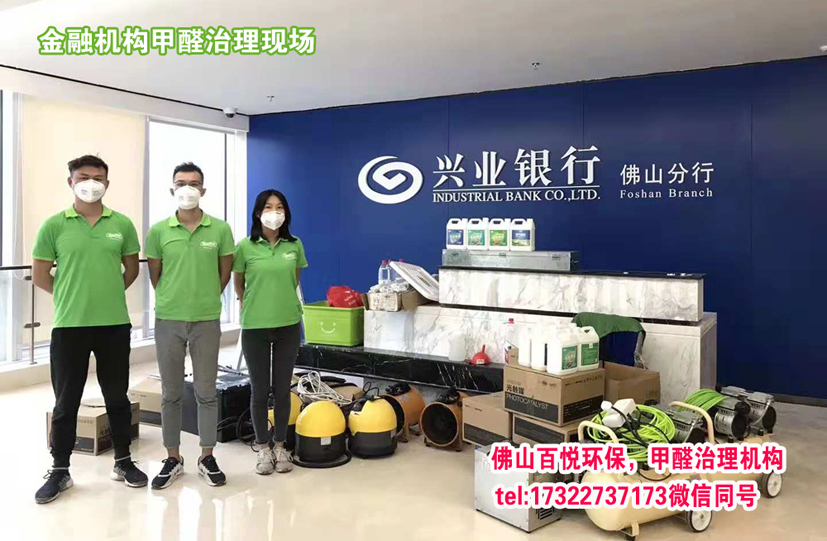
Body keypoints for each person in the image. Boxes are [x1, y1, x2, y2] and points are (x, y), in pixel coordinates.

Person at [32, 155, 147, 504]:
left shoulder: (122, 224)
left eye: (98, 177)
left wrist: (105, 294)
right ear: (71, 182)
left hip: (114, 325)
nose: (91, 183)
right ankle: (60, 470)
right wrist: (71, 294)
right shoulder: (54, 225)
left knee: (117, 397)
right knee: (66, 402)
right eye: (83, 177)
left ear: (107, 183)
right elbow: (40, 275)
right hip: (70, 326)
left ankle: (123, 461)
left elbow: (131, 270)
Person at [145, 162, 234, 489]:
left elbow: (224, 274)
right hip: (169, 319)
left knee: (206, 392)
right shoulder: (159, 231)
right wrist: (175, 299)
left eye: (194, 183)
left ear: (203, 190)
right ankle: (173, 457)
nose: (187, 188)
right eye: (181, 183)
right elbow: (156, 276)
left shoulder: (220, 230)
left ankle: (206, 456)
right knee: (170, 393)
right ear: (172, 189)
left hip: (206, 320)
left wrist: (204, 297)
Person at [233, 189, 307, 475]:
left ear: (286, 213)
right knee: (260, 389)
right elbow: (239, 284)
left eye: (279, 207)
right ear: (257, 213)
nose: (274, 212)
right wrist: (253, 304)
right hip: (255, 326)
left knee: (282, 388)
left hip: (288, 324)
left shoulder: (294, 244)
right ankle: (263, 447)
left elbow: (294, 280)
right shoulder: (245, 246)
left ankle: (280, 446)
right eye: (268, 207)